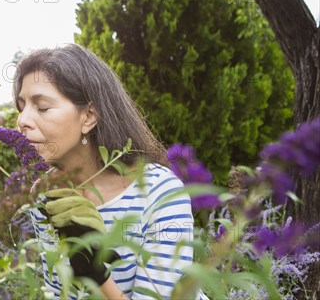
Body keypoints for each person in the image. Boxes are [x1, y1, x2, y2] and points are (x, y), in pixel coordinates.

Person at [13, 44, 206, 299]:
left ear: (89, 116)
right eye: (21, 106)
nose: (22, 120)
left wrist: (96, 274)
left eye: (42, 107)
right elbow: (59, 291)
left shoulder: (158, 193)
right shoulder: (45, 194)